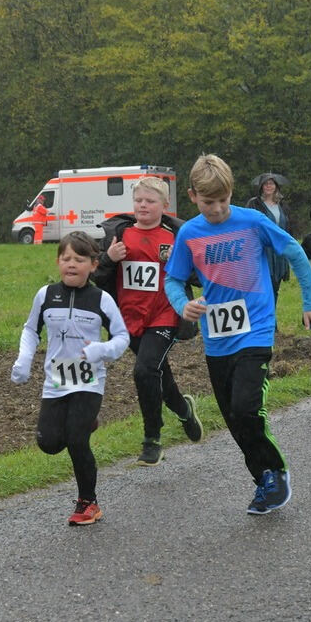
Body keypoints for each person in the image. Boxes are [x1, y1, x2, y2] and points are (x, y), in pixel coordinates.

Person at [164, 154, 311, 515]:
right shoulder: (189, 233)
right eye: (208, 203)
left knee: (247, 407)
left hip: (256, 330)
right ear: (192, 196)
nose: (218, 209)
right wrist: (181, 304)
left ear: (231, 192)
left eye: (223, 200)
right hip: (217, 337)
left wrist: (310, 302)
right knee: (233, 418)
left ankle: (276, 472)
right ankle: (262, 479)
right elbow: (173, 278)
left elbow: (296, 253)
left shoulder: (252, 221)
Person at [11, 231, 129, 526]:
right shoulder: (46, 295)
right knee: (49, 442)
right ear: (58, 261)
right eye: (66, 259)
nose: (71, 265)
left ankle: (88, 503)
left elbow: (122, 336)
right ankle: (86, 422)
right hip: (57, 380)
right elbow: (30, 330)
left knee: (77, 440)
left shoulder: (102, 299)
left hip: (90, 380)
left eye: (79, 259)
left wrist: (102, 350)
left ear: (93, 264)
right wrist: (25, 358)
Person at [92, 176, 203, 466]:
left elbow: (197, 275)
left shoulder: (175, 236)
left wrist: (185, 262)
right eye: (139, 200)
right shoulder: (119, 234)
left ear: (165, 206)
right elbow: (96, 279)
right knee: (157, 371)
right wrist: (109, 259)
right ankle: (183, 409)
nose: (143, 205)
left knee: (144, 370)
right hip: (128, 319)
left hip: (164, 316)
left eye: (150, 201)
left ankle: (152, 440)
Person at [246, 173, 291, 303]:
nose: (268, 186)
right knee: (264, 289)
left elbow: (287, 226)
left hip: (279, 251)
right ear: (261, 186)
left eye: (271, 183)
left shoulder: (282, 204)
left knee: (275, 289)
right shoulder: (254, 203)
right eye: (265, 183)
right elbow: (248, 226)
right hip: (263, 251)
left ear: (276, 186)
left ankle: (272, 319)